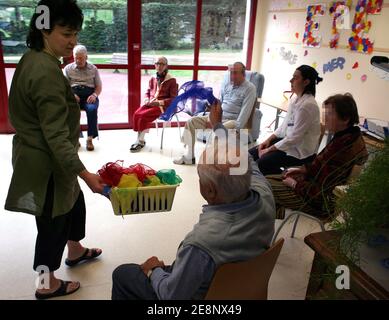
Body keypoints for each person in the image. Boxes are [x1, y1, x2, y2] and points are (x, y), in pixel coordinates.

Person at [111, 102, 275, 300]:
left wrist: (153, 271)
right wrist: (218, 126)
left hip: (205, 296)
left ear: (210, 191)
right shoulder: (265, 194)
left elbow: (171, 296)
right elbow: (248, 162)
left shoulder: (201, 244)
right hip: (243, 286)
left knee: (123, 274)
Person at [4, 0, 105, 300]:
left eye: (75, 33)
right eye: (66, 34)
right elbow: (56, 137)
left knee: (73, 202)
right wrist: (86, 173)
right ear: (44, 30)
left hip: (52, 160)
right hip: (45, 163)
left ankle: (74, 250)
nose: (73, 41)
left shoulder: (35, 57)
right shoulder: (46, 72)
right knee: (52, 224)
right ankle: (45, 282)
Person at [266, 93, 368, 219]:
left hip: (317, 203)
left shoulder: (343, 149)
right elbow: (321, 165)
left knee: (262, 187)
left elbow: (322, 193)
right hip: (312, 189)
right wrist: (302, 169)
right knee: (264, 181)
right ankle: (277, 216)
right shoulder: (348, 137)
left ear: (345, 118)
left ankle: (279, 217)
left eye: (330, 114)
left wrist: (295, 184)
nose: (325, 118)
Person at [173, 62, 257, 165]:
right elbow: (219, 105)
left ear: (243, 74)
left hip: (233, 121)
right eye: (230, 73)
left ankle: (213, 163)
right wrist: (211, 117)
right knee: (191, 122)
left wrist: (217, 125)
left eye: (235, 73)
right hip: (219, 117)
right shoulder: (227, 85)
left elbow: (244, 117)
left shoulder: (250, 89)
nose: (232, 76)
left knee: (217, 131)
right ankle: (189, 156)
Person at [249, 65, 323, 175]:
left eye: (295, 78)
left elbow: (294, 138)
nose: (291, 80)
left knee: (262, 163)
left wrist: (269, 150)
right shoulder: (295, 99)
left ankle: (285, 177)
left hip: (300, 152)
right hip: (289, 143)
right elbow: (284, 127)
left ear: (306, 82)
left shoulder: (308, 105)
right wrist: (267, 141)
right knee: (250, 154)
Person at [130, 56, 178, 152]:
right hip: (152, 103)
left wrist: (159, 102)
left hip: (165, 106)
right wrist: (146, 99)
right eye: (157, 63)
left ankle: (140, 141)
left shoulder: (172, 80)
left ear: (166, 66)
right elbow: (148, 91)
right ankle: (140, 139)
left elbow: (174, 99)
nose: (159, 66)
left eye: (162, 64)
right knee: (136, 114)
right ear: (154, 65)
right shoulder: (153, 78)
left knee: (143, 116)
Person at [64, 44, 102, 151]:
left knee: (92, 109)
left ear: (86, 57)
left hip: (89, 95)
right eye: (76, 57)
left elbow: (99, 86)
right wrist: (71, 95)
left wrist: (94, 95)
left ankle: (89, 138)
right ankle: (75, 138)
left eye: (80, 58)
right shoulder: (67, 69)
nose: (78, 60)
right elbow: (64, 86)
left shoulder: (93, 69)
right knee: (72, 110)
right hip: (73, 94)